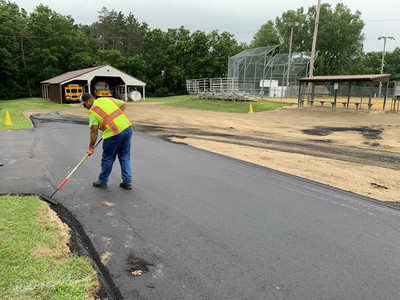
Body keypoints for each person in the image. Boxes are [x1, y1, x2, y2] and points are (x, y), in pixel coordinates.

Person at [80, 93, 133, 189]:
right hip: (127, 128)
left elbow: (94, 131)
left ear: (89, 101)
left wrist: (91, 148)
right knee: (124, 156)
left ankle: (102, 181)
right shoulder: (106, 99)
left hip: (113, 133)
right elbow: (123, 104)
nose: (84, 107)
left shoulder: (92, 111)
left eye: (84, 104)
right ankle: (127, 182)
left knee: (108, 158)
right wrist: (115, 119)